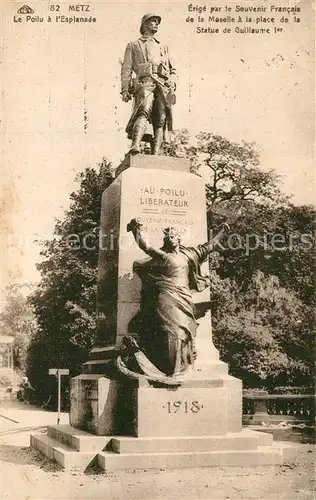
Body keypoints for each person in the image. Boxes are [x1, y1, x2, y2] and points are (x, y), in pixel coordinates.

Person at [122, 219, 229, 380]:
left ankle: (181, 366)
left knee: (183, 330)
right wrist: (135, 230)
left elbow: (209, 247)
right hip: (166, 298)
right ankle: (169, 367)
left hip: (184, 297)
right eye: (167, 237)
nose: (169, 239)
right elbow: (146, 246)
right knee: (169, 330)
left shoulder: (189, 255)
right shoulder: (163, 256)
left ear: (179, 239)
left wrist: (222, 232)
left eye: (172, 236)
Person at [121, 13, 176, 155]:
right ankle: (135, 146)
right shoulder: (133, 45)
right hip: (145, 82)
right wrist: (125, 89)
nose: (156, 24)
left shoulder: (163, 46)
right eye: (153, 21)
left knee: (160, 117)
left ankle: (156, 153)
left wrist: (172, 80)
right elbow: (126, 69)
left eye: (158, 21)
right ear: (145, 24)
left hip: (162, 84)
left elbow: (173, 69)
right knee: (143, 110)